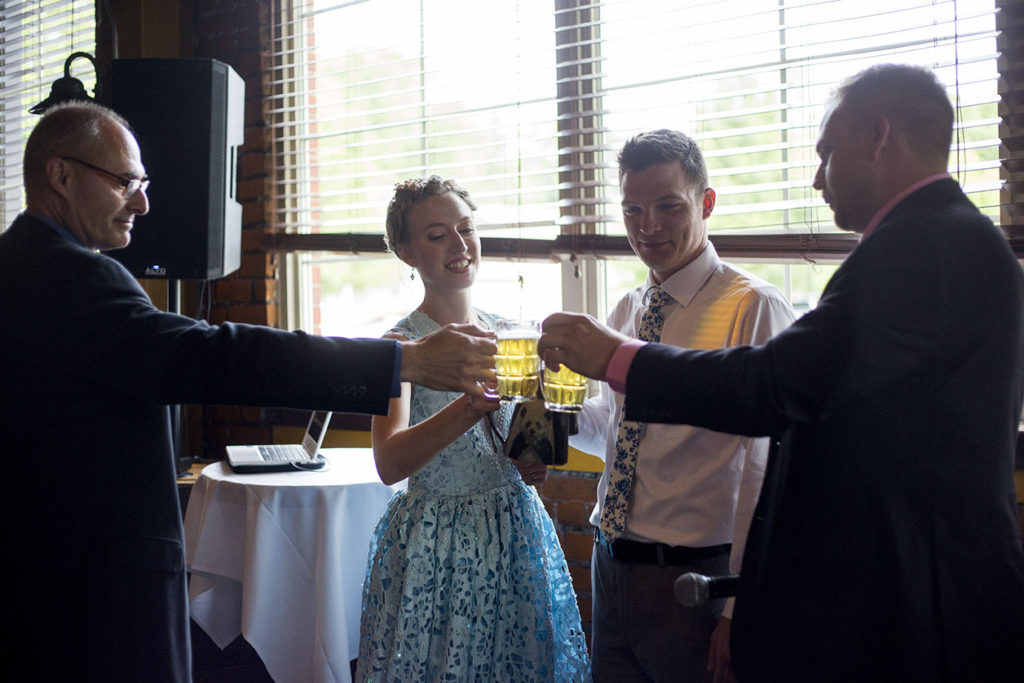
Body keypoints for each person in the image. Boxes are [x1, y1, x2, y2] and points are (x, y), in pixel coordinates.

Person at [538, 64, 1024, 681]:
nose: (817, 176)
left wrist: (615, 357)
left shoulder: (923, 246)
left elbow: (773, 390)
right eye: (633, 210)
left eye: (825, 150)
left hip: (919, 594)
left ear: (878, 136)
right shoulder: (938, 238)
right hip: (626, 568)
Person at [0, 102, 498, 683]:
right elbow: (217, 354)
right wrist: (399, 361)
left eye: (144, 183)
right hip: (90, 584)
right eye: (125, 182)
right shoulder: (75, 279)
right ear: (61, 176)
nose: (143, 201)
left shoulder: (20, 266)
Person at [566, 129, 795, 682]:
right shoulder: (626, 306)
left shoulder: (753, 306)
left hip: (698, 579)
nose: (648, 227)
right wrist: (539, 411)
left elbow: (769, 470)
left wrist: (740, 608)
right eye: (633, 210)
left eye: (669, 206)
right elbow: (613, 431)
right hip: (610, 562)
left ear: (706, 203)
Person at [355, 176, 591, 682]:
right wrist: (468, 405)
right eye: (437, 235)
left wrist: (537, 457)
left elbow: (531, 449)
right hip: (438, 546)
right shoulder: (400, 346)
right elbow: (389, 462)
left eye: (466, 229)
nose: (460, 246)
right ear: (406, 252)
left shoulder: (513, 332)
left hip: (515, 531)